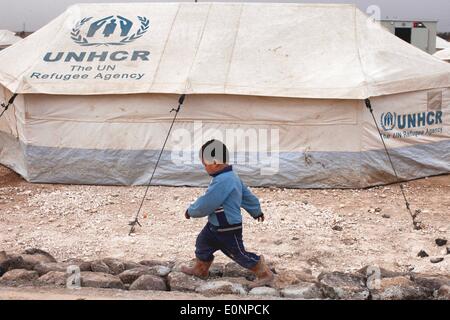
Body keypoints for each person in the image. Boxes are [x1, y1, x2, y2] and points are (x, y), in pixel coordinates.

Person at [181, 139, 274, 288]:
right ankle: (200, 269)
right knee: (203, 244)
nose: (204, 168)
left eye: (205, 164)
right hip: (215, 225)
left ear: (216, 163)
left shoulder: (223, 181)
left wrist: (191, 211)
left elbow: (208, 202)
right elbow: (246, 196)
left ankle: (264, 273)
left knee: (239, 254)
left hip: (228, 227)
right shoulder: (231, 176)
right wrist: (256, 210)